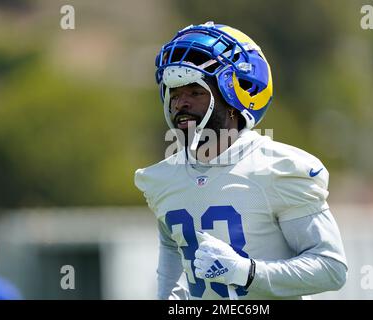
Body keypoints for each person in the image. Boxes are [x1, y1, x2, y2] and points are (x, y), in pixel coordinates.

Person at [135, 21, 347, 300]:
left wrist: (245, 273)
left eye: (195, 92)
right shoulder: (162, 180)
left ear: (233, 97)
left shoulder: (278, 169)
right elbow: (174, 254)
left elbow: (331, 269)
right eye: (174, 93)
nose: (180, 104)